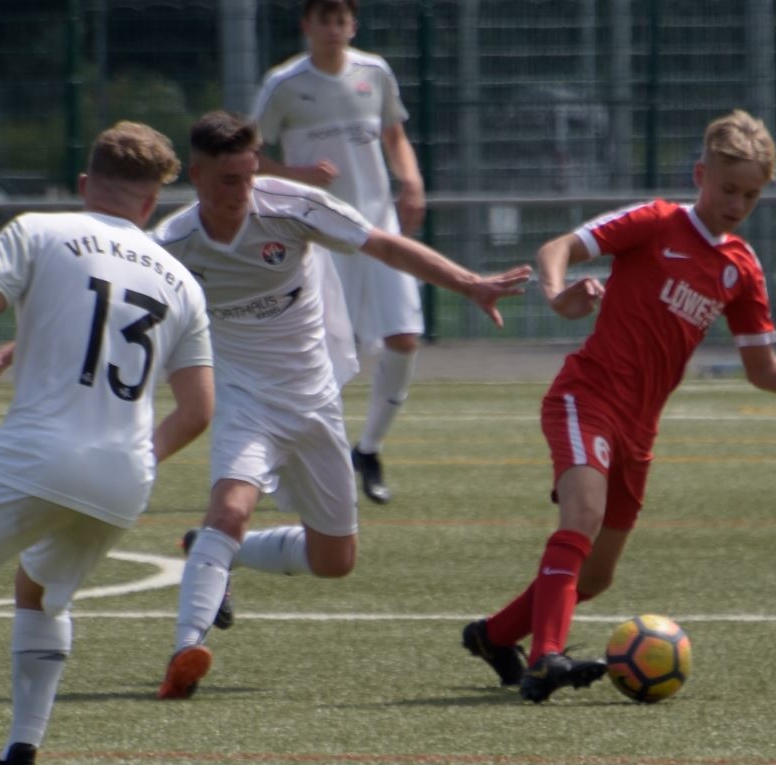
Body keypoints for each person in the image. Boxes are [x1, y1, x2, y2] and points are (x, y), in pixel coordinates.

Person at [461, 109, 776, 703]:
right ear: (700, 175)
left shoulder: (740, 267)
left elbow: (762, 369)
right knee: (582, 516)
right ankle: (546, 658)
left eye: (750, 195)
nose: (736, 204)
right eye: (728, 188)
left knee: (597, 575)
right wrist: (557, 296)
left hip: (640, 429)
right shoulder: (656, 221)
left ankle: (493, 636)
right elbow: (559, 247)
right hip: (587, 396)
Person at [152, 110, 529, 700]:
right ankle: (185, 650)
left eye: (249, 176)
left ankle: (214, 552)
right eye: (228, 180)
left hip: (314, 400)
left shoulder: (292, 206)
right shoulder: (171, 244)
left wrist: (470, 283)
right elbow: (115, 298)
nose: (243, 191)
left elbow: (384, 245)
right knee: (229, 509)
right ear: (196, 176)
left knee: (334, 560)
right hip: (244, 401)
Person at [0, 122, 214, 764]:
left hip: (37, 456)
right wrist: (135, 458)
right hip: (123, 479)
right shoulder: (183, 282)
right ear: (152, 201)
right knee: (39, 592)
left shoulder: (39, 229)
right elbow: (198, 410)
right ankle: (22, 748)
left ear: (84, 183)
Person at [252, 0, 426, 505]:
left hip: (378, 228)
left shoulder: (375, 73)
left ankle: (368, 450)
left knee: (404, 338)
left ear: (353, 26)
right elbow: (250, 153)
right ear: (306, 25)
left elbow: (394, 135)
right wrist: (298, 175)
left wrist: (412, 181)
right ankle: (290, 459)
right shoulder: (283, 83)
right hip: (320, 234)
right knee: (320, 357)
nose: (333, 28)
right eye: (324, 19)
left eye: (341, 19)